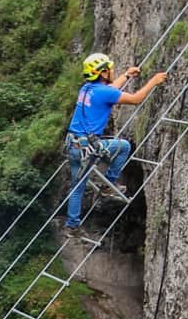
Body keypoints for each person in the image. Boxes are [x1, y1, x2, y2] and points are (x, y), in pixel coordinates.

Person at [64, 53, 168, 230]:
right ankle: (108, 184)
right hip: (87, 148)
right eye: (109, 69)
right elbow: (136, 99)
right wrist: (154, 81)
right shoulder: (104, 92)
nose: (112, 71)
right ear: (103, 73)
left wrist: (126, 75)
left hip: (73, 145)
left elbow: (110, 90)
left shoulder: (86, 89)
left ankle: (72, 225)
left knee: (77, 188)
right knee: (124, 146)